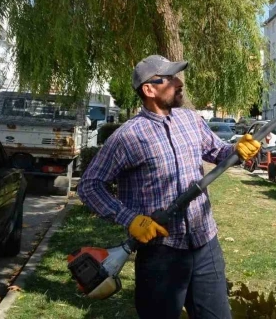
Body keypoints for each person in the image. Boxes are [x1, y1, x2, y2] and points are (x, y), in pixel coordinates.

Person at [78, 55, 261, 319]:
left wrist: (238, 149)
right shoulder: (128, 136)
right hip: (160, 254)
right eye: (170, 78)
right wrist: (130, 220)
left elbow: (218, 151)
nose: (178, 82)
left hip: (205, 244)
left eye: (177, 76)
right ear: (149, 89)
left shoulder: (191, 120)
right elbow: (89, 186)